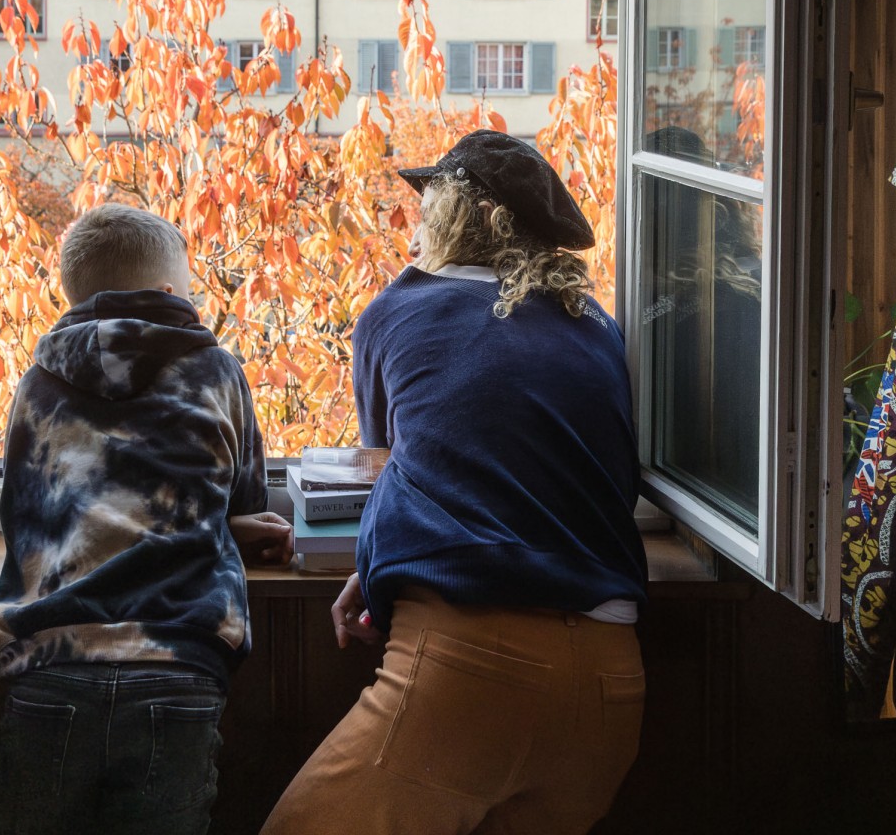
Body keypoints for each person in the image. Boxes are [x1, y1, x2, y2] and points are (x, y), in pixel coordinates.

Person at [264, 130, 650, 835]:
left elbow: (387, 464)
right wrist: (379, 561)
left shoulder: (399, 309)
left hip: (473, 665)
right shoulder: (594, 324)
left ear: (447, 215)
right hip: (610, 680)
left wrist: (376, 559)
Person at [0, 203, 292, 835]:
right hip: (175, 666)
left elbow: (27, 513)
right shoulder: (216, 370)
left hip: (51, 666)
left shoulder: (38, 382)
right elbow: (244, 501)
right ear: (171, 293)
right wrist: (220, 525)